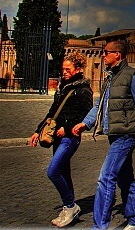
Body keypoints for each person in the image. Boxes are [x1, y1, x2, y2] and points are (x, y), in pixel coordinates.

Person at [72, 40, 135, 230]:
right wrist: (85, 123)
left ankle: (99, 226)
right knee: (124, 177)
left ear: (117, 54)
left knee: (106, 177)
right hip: (115, 133)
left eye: (106, 52)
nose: (103, 55)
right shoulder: (110, 78)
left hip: (127, 134)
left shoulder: (132, 76)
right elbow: (99, 105)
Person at [28, 52, 93, 228]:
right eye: (63, 68)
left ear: (78, 69)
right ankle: (69, 208)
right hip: (56, 137)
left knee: (53, 172)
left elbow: (86, 116)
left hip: (70, 138)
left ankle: (71, 206)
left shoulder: (84, 90)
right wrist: (37, 131)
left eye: (67, 69)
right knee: (64, 173)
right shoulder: (63, 87)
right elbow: (53, 112)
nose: (63, 72)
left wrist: (68, 125)